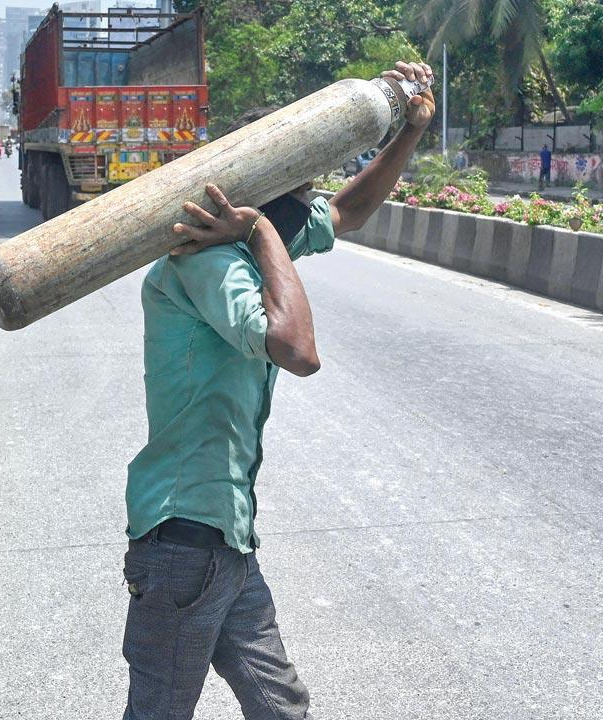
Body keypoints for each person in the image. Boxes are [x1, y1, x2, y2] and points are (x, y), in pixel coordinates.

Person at [121, 61, 435, 720]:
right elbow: (297, 351)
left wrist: (407, 132)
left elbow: (347, 211)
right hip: (183, 545)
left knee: (281, 707)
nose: (312, 205)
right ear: (260, 200)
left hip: (225, 544)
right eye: (302, 188)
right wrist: (260, 232)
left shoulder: (249, 239)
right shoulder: (208, 259)